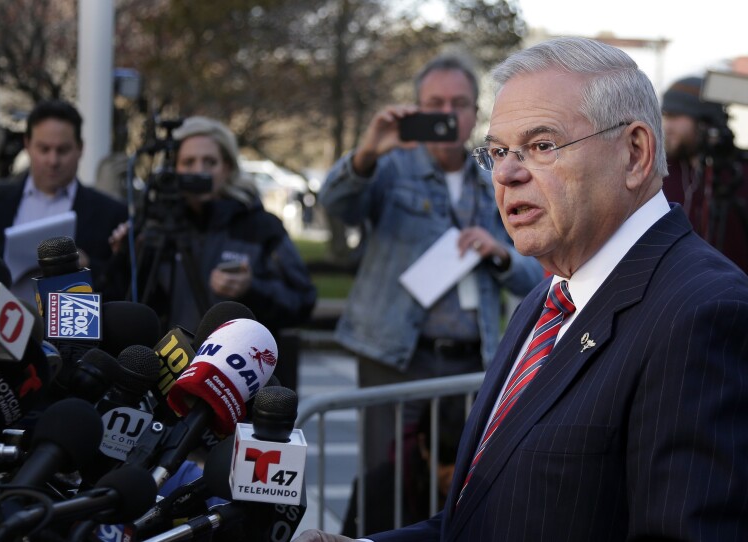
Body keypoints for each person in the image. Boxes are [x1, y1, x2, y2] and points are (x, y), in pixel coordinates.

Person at [296, 36, 748, 542]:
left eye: (542, 146)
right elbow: (482, 518)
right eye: (497, 152)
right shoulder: (547, 299)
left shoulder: (703, 313)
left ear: (635, 153)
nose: (507, 174)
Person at [318, 54, 544, 472]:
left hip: (471, 361)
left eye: (459, 104)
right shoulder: (389, 166)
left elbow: (536, 276)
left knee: (458, 480)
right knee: (386, 477)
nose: (447, 114)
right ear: (416, 110)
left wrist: (499, 255)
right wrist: (367, 152)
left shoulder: (496, 177)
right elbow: (335, 204)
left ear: (475, 113)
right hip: (394, 356)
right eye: (435, 104)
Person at [108, 116, 316, 378]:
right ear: (173, 169)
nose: (199, 171)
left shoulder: (260, 226)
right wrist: (125, 256)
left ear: (227, 167)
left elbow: (303, 300)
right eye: (189, 162)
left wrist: (251, 289)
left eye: (210, 162)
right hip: (166, 371)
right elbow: (130, 304)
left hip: (234, 374)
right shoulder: (155, 227)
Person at [0, 100, 128, 298]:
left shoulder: (111, 214)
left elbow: (124, 289)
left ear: (80, 148)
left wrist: (87, 266)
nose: (53, 160)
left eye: (62, 150)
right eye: (44, 149)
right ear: (27, 145)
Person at [660, 75, 748, 273]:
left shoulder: (739, 173)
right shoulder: (660, 174)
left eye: (674, 116)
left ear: (704, 122)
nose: (667, 126)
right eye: (665, 116)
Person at [341, 398, 464, 538]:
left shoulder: (473, 485)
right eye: (444, 461)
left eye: (460, 462)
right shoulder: (376, 489)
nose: (452, 474)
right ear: (423, 445)